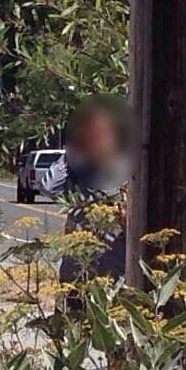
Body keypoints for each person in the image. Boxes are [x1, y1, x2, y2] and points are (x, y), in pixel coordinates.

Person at [58, 101, 128, 277]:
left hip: (112, 272)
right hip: (75, 270)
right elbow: (48, 187)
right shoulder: (78, 167)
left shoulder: (129, 168)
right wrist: (69, 154)